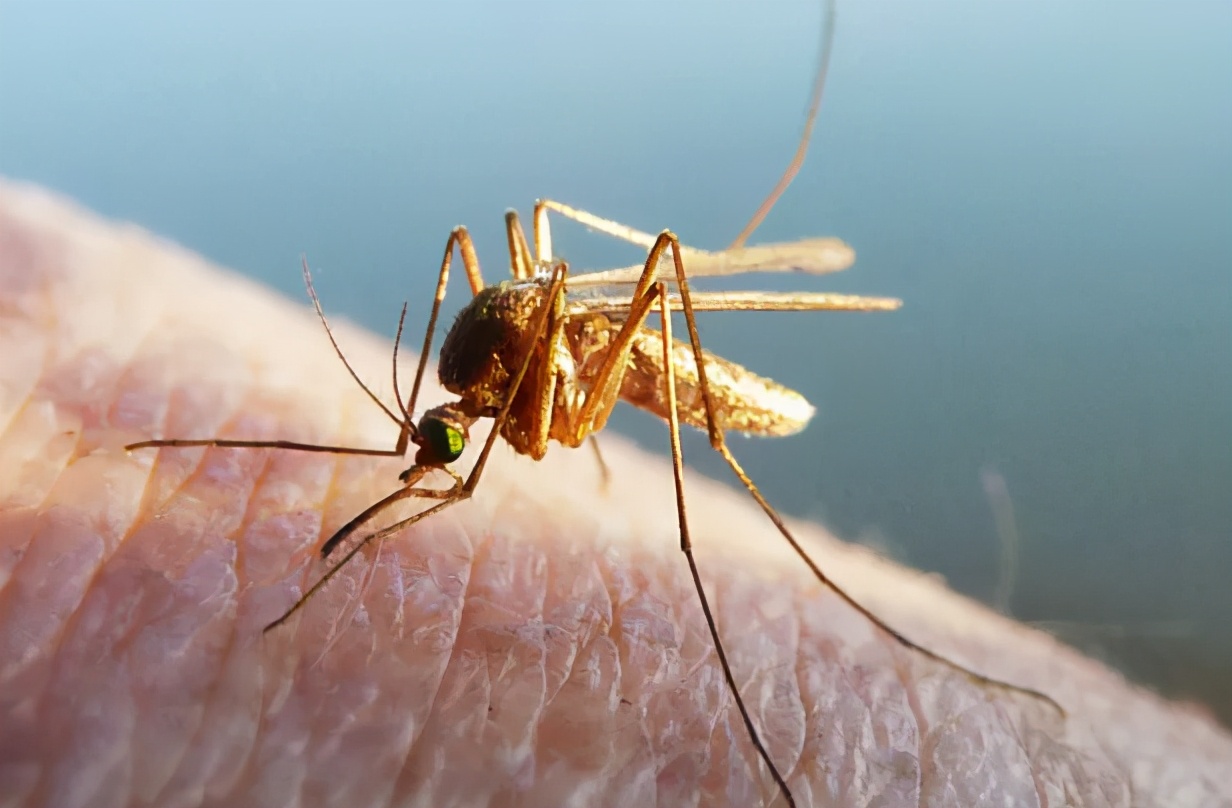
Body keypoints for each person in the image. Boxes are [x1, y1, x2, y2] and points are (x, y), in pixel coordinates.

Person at [1, 178, 1228, 807]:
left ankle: (716, 543)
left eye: (434, 440)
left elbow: (492, 318)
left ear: (452, 407)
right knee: (501, 240)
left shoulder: (484, 386)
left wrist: (525, 401)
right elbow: (463, 284)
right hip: (548, 353)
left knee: (597, 260)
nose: (431, 456)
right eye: (432, 443)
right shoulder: (463, 374)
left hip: (639, 353)